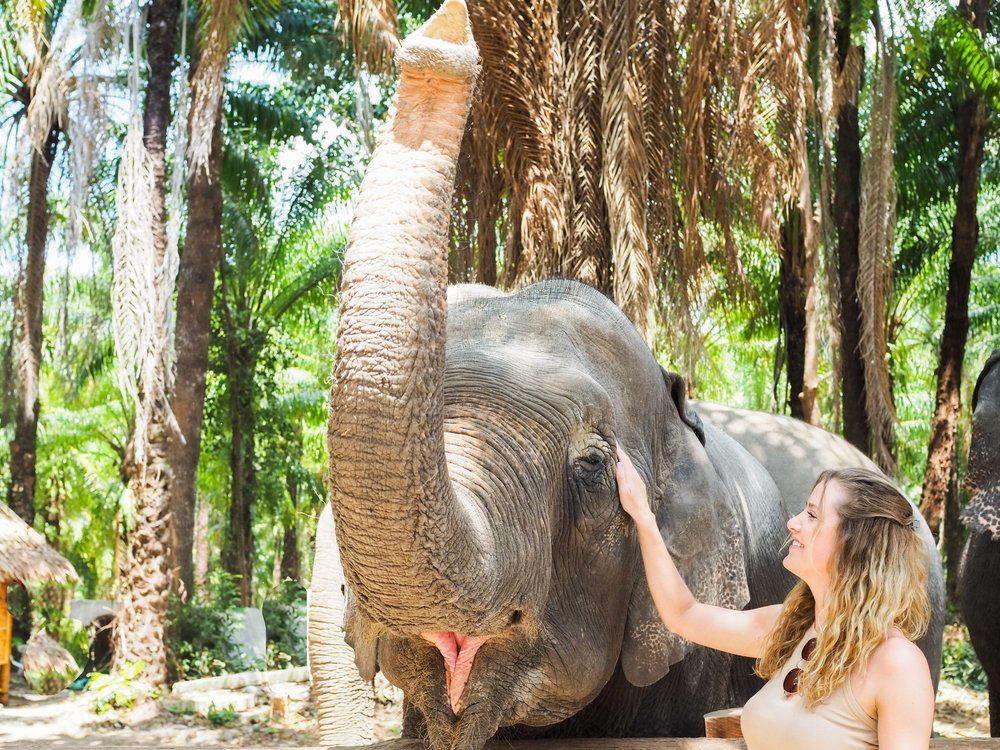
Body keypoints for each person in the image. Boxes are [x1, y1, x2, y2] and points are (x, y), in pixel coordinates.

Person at [615, 445, 934, 750]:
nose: (793, 523)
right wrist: (644, 517)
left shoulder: (896, 663)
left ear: (856, 544)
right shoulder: (794, 627)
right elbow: (684, 615)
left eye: (812, 515)